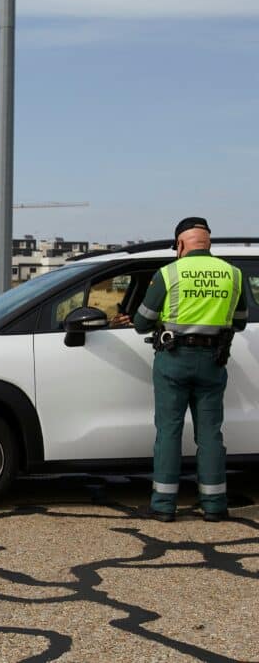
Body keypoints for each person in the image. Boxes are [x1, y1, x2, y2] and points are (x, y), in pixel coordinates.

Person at [133, 217, 248, 522]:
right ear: (207, 242)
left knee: (169, 431)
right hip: (214, 360)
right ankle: (214, 506)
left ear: (181, 244)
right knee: (210, 434)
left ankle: (163, 506)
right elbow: (240, 321)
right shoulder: (233, 275)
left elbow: (141, 322)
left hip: (174, 359)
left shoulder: (170, 273)